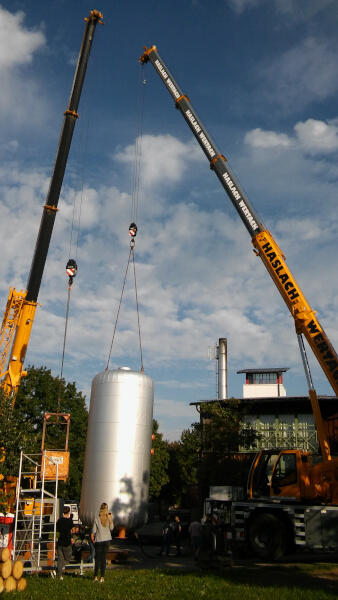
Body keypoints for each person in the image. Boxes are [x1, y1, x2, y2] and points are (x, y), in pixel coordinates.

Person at [91, 502, 113, 583]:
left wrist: (92, 536)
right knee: (103, 559)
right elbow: (112, 528)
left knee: (98, 559)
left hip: (99, 540)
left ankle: (95, 576)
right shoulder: (108, 518)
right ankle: (102, 577)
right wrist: (110, 520)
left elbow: (94, 530)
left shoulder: (97, 518)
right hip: (107, 540)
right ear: (106, 509)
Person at [56, 505, 74, 579]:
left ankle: (59, 574)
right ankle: (62, 567)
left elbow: (58, 529)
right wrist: (71, 538)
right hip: (67, 542)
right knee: (68, 557)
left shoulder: (59, 521)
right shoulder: (69, 521)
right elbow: (70, 531)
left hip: (60, 541)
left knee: (60, 558)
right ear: (69, 512)